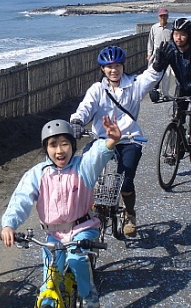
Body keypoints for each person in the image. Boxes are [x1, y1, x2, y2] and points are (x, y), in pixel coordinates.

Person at [1, 116, 122, 308]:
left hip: (82, 227)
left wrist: (111, 142)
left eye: (65, 144)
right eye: (53, 145)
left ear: (73, 146)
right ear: (45, 149)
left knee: (76, 258)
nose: (59, 150)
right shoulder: (38, 173)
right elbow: (21, 199)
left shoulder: (83, 167)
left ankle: (87, 292)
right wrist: (9, 225)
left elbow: (96, 156)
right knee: (49, 282)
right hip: (53, 235)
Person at [69, 45, 164, 237]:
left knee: (125, 180)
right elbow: (85, 108)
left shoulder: (134, 84)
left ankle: (129, 214)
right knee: (86, 174)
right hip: (102, 139)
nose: (114, 70)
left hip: (129, 139)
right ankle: (89, 207)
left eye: (118, 65)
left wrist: (157, 65)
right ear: (102, 69)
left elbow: (150, 77)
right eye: (109, 66)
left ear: (123, 66)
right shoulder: (97, 89)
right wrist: (77, 121)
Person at [152, 17, 191, 141]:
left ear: (189, 35)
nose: (178, 38)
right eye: (175, 34)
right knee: (177, 115)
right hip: (182, 85)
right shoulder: (170, 48)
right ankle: (177, 143)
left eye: (182, 34)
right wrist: (155, 82)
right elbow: (160, 70)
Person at [147, 7, 173, 97]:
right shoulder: (154, 27)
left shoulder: (171, 28)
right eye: (161, 16)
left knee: (167, 75)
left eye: (165, 16)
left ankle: (166, 94)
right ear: (158, 17)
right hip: (156, 54)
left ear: (167, 16)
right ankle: (155, 93)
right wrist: (149, 54)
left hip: (169, 54)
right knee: (155, 74)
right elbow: (150, 41)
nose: (163, 17)